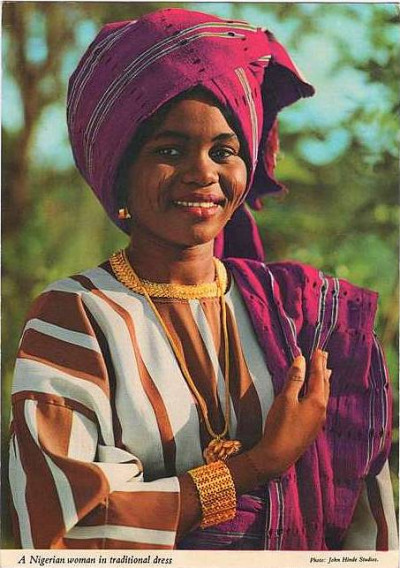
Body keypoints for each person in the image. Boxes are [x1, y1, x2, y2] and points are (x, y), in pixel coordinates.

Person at [9, 8, 397, 551]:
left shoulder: (303, 314)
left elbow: (365, 523)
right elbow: (63, 530)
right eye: (168, 151)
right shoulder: (75, 316)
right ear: (119, 173)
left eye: (224, 151)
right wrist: (255, 467)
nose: (203, 172)